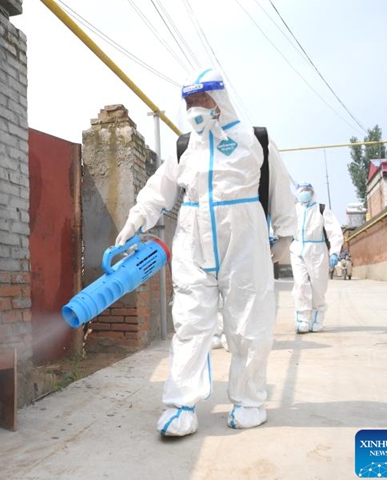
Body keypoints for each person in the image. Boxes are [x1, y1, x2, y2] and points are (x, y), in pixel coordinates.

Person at [115, 68, 296, 436]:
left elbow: (281, 188)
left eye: (202, 101)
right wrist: (136, 218)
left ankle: (249, 401)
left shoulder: (254, 140)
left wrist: (286, 237)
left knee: (248, 323)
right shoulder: (184, 146)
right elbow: (158, 190)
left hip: (243, 240)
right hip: (192, 239)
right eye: (189, 103)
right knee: (190, 322)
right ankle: (180, 405)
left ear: (220, 102)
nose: (195, 109)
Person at [290, 183, 344, 333]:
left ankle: (317, 319)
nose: (304, 194)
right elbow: (283, 225)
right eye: (302, 191)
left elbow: (334, 231)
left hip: (317, 251)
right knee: (300, 284)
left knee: (318, 286)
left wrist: (334, 252)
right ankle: (302, 319)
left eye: (307, 191)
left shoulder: (321, 209)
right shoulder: (294, 210)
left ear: (313, 193)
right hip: (297, 249)